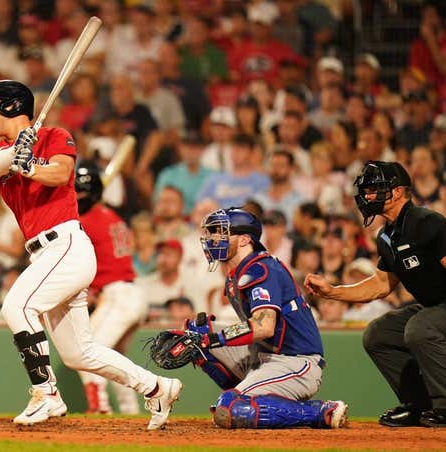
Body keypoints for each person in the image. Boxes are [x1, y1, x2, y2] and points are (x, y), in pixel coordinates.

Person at [0, 80, 182, 429]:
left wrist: (28, 165)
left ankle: (46, 394)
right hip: (42, 254)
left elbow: (61, 173)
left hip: (66, 244)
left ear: (10, 106)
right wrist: (15, 154)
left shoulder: (55, 135)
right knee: (77, 353)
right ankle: (158, 387)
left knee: (17, 306)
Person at [170, 207, 347, 429]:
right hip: (265, 356)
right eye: (212, 232)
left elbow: (264, 327)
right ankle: (249, 392)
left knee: (231, 408)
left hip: (295, 362)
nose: (213, 239)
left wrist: (217, 339)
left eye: (221, 232)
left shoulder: (261, 270)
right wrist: (204, 339)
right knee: (197, 333)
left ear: (244, 239)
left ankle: (320, 412)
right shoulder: (239, 273)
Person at [304, 160, 446, 428]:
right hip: (432, 309)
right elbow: (380, 285)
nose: (367, 196)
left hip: (439, 310)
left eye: (374, 189)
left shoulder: (428, 222)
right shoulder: (386, 235)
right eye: (366, 190)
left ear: (398, 192)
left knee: (420, 327)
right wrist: (333, 292)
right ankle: (420, 405)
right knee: (378, 333)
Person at [74, 162, 147, 415]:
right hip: (130, 293)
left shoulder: (87, 221)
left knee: (85, 352)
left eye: (79, 194)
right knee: (114, 361)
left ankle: (99, 408)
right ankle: (130, 413)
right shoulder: (111, 215)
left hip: (118, 294)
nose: (76, 198)